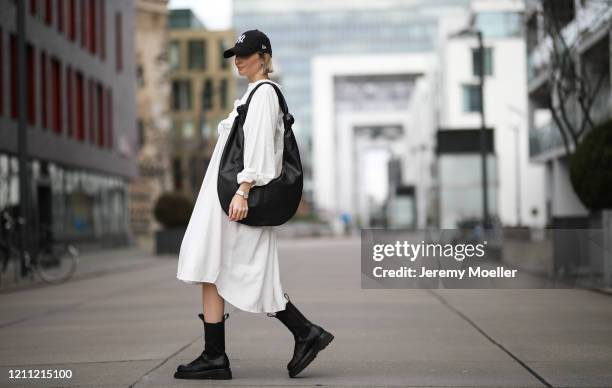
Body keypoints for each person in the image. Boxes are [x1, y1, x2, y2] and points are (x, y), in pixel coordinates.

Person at [174, 29, 334, 380]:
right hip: (223, 198)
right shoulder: (251, 95)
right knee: (211, 267)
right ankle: (218, 354)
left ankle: (303, 333)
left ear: (264, 56)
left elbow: (260, 149)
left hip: (234, 199)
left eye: (246, 54)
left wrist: (243, 191)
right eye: (236, 54)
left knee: (244, 272)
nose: (239, 60)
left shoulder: (264, 94)